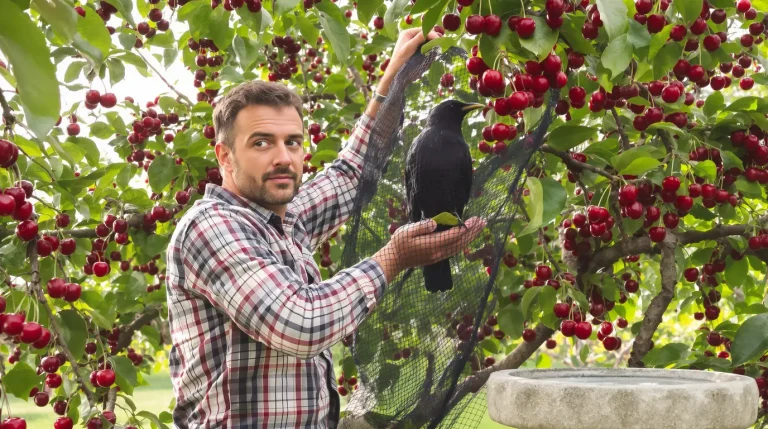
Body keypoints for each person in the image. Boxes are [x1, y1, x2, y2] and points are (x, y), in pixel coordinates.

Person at [165, 27, 487, 428]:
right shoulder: (211, 227)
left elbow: (354, 172)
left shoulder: (286, 221)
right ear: (225, 157)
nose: (283, 157)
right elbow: (300, 324)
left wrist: (394, 78)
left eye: (293, 142)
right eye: (262, 143)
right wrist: (393, 258)